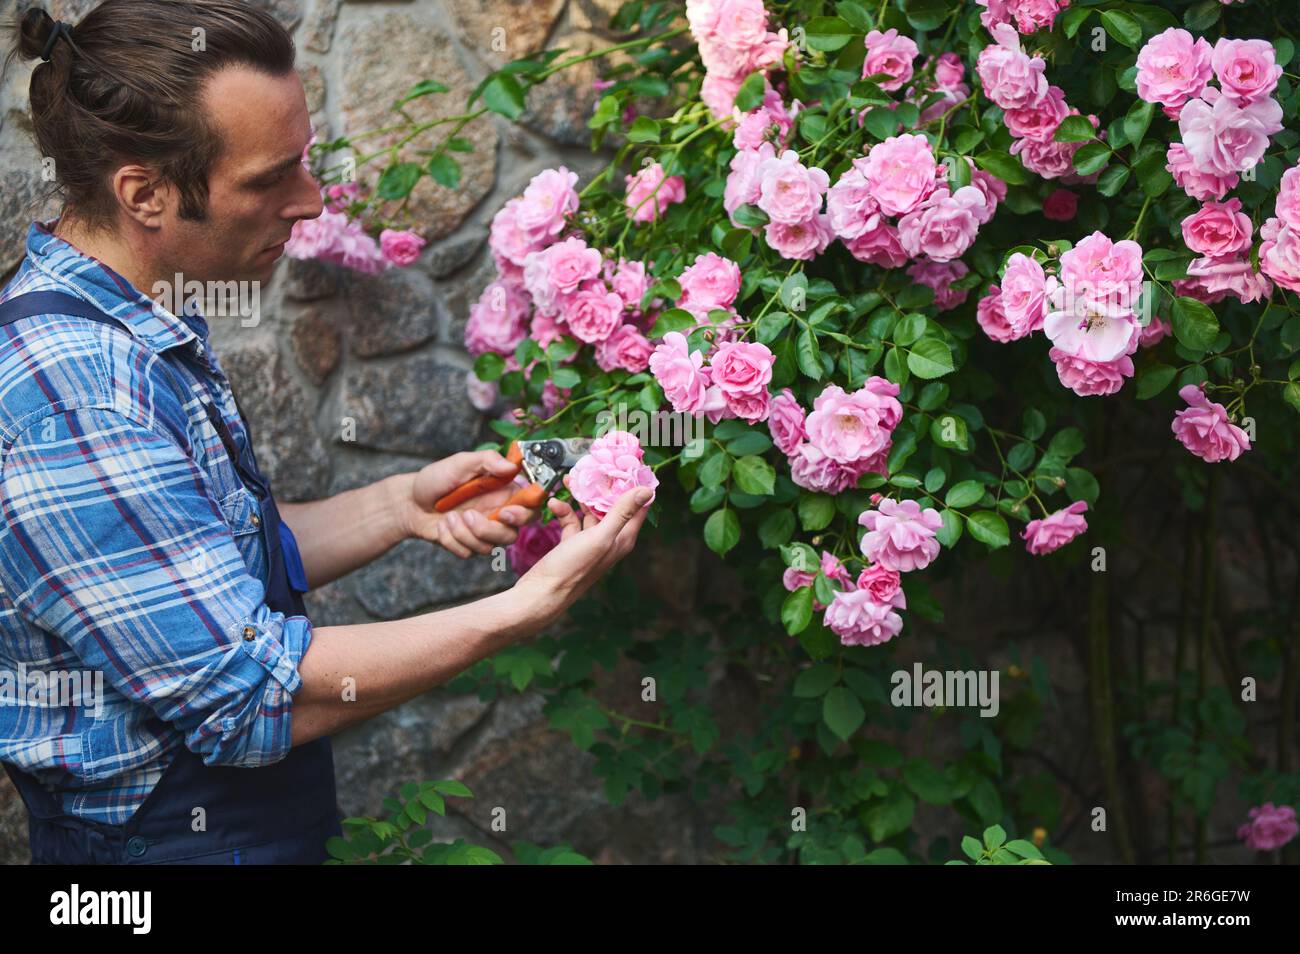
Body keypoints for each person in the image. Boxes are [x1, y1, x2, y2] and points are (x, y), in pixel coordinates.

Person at [0, 0, 650, 864]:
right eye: (270, 179)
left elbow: (199, 562)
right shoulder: (72, 393)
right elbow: (247, 696)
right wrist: (521, 610)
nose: (308, 202)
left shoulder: (129, 323)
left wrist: (400, 505)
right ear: (144, 194)